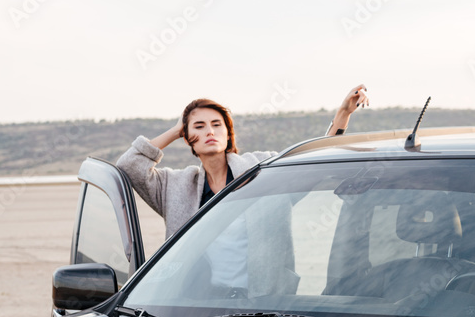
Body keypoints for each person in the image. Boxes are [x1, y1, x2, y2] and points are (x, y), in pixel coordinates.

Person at [117, 84, 369, 239]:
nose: (210, 132)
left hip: (258, 306)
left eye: (217, 125)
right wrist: (175, 130)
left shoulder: (261, 169)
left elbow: (312, 161)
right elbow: (129, 165)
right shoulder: (175, 186)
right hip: (191, 306)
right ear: (188, 138)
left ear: (228, 134)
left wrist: (342, 115)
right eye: (199, 126)